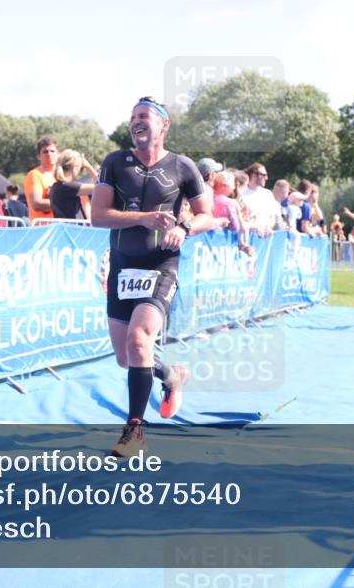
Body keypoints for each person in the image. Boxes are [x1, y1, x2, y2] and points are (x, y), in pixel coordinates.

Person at [90, 96, 211, 458]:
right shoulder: (114, 163)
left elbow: (207, 214)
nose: (137, 122)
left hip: (161, 265)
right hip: (123, 265)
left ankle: (134, 433)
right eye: (133, 118)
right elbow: (98, 215)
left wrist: (186, 227)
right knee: (126, 356)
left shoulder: (182, 166)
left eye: (144, 117)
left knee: (140, 339)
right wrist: (141, 218)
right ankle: (171, 376)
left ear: (163, 125)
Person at [49, 149, 98, 220]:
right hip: (74, 229)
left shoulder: (57, 186)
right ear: (74, 167)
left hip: (67, 228)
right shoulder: (68, 186)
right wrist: (89, 167)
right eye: (81, 168)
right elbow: (102, 187)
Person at [24, 137, 59, 223]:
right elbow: (37, 204)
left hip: (59, 228)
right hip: (41, 228)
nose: (49, 154)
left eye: (52, 151)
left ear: (59, 154)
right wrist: (65, 203)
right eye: (45, 151)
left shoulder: (62, 175)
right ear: (38, 156)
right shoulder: (34, 175)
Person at [241, 163, 280, 236]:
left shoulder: (268, 194)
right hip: (247, 237)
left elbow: (272, 217)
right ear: (254, 175)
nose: (266, 178)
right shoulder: (241, 193)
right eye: (264, 175)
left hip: (264, 239)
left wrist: (269, 227)